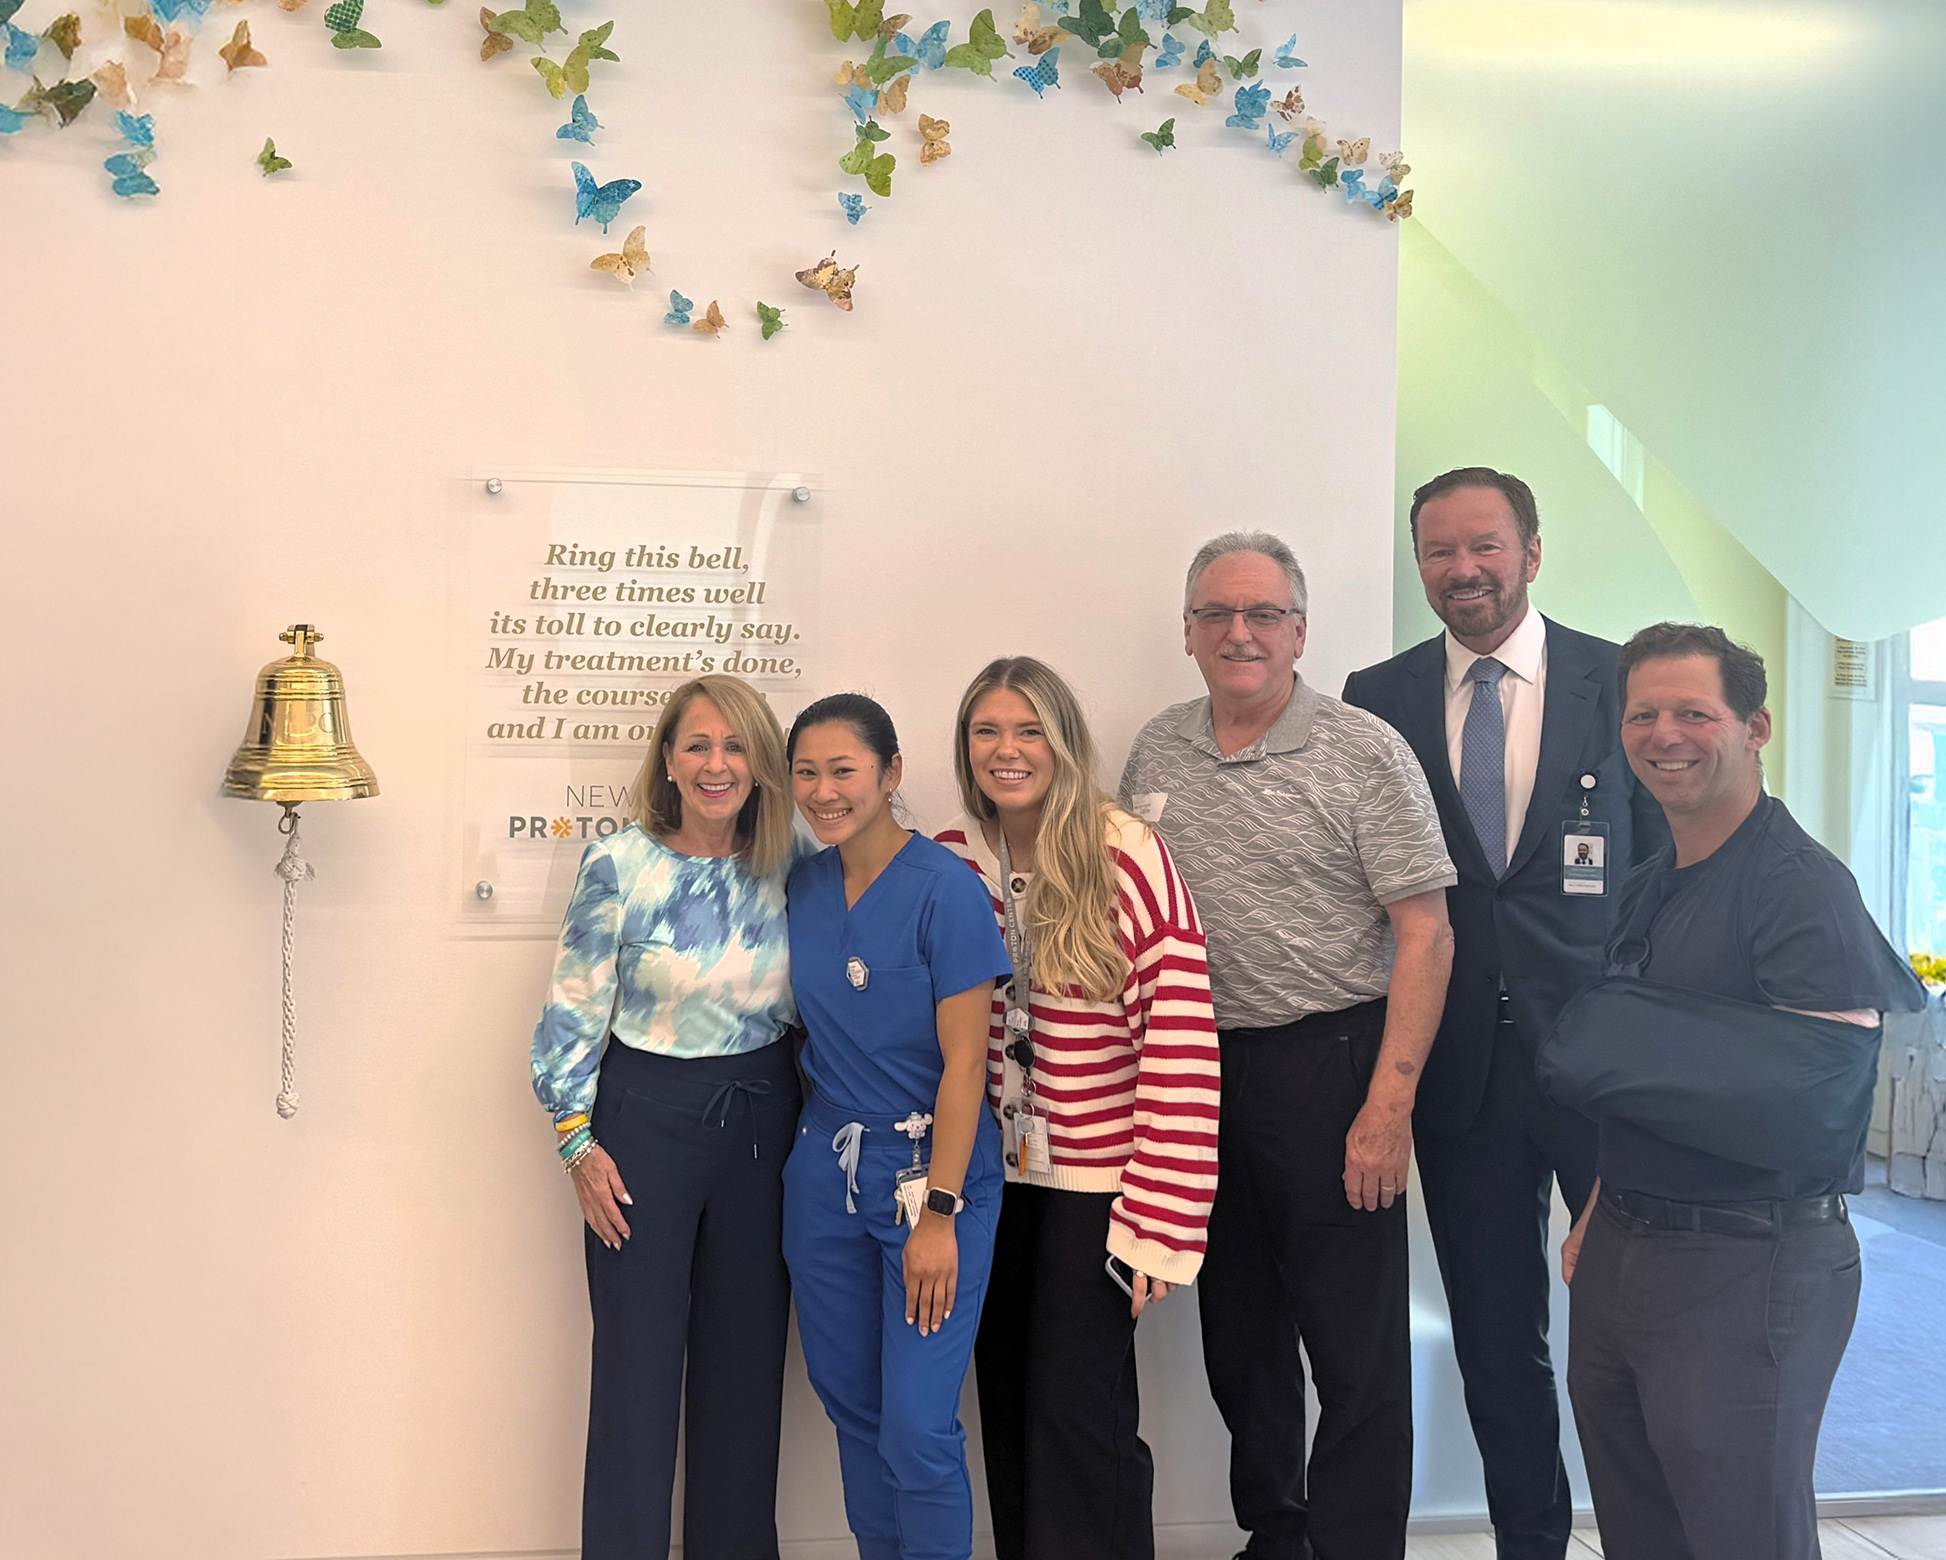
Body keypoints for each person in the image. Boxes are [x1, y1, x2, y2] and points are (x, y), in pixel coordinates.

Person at [1341, 467, 1668, 1560]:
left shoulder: (1620, 681)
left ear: (1531, 549)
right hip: (1456, 1077)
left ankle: (1653, 1537)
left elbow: (1666, 880)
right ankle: (1530, 1541)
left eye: (1483, 545)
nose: (1460, 570)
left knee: (1641, 1330)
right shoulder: (1374, 696)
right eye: (1437, 550)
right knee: (1495, 1337)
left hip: (1602, 1073)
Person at [1119, 532, 1457, 1560]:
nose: (1238, 632)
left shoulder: (1361, 750)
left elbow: (1425, 931)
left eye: (1262, 614)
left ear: (1298, 630)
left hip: (1333, 1068)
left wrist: (1387, 1102)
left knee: (1351, 1348)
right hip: (1199, 1075)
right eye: (1215, 614)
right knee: (1240, 1334)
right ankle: (1277, 1530)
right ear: (1186, 633)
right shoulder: (1157, 749)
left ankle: (1355, 1548)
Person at [1557, 623, 1925, 1560]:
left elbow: (1812, 1112)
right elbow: (1632, 1081)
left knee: (1740, 1533)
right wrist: (1601, 1203)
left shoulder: (1800, 888)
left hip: (1750, 1263)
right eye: (1644, 714)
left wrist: (1613, 1046)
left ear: (1756, 726)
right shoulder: (1649, 886)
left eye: (1694, 712)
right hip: (1627, 1248)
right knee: (1640, 1527)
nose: (1664, 734)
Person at [934, 657, 1221, 1560]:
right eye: (987, 732)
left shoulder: (1125, 853)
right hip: (991, 1182)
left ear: (1063, 743)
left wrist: (1158, 1223)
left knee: (1080, 1419)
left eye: (1029, 732)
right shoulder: (951, 860)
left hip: (1096, 1188)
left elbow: (1178, 1042)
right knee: (1010, 1404)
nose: (1007, 751)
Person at [530, 674, 804, 1560]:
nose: (717, 764)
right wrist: (578, 1142)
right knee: (636, 1376)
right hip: (642, 1125)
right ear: (669, 760)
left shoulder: (798, 858)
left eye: (735, 747)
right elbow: (574, 1007)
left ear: (762, 763)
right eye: (698, 745)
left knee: (745, 1373)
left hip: (764, 1125)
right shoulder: (620, 863)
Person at [780, 693, 1014, 1560]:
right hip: (825, 1180)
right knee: (852, 1407)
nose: (824, 790)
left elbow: (965, 1065)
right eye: (808, 771)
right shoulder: (802, 882)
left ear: (891, 774)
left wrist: (940, 1215)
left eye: (844, 770)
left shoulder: (945, 889)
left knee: (917, 1427)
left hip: (933, 1176)